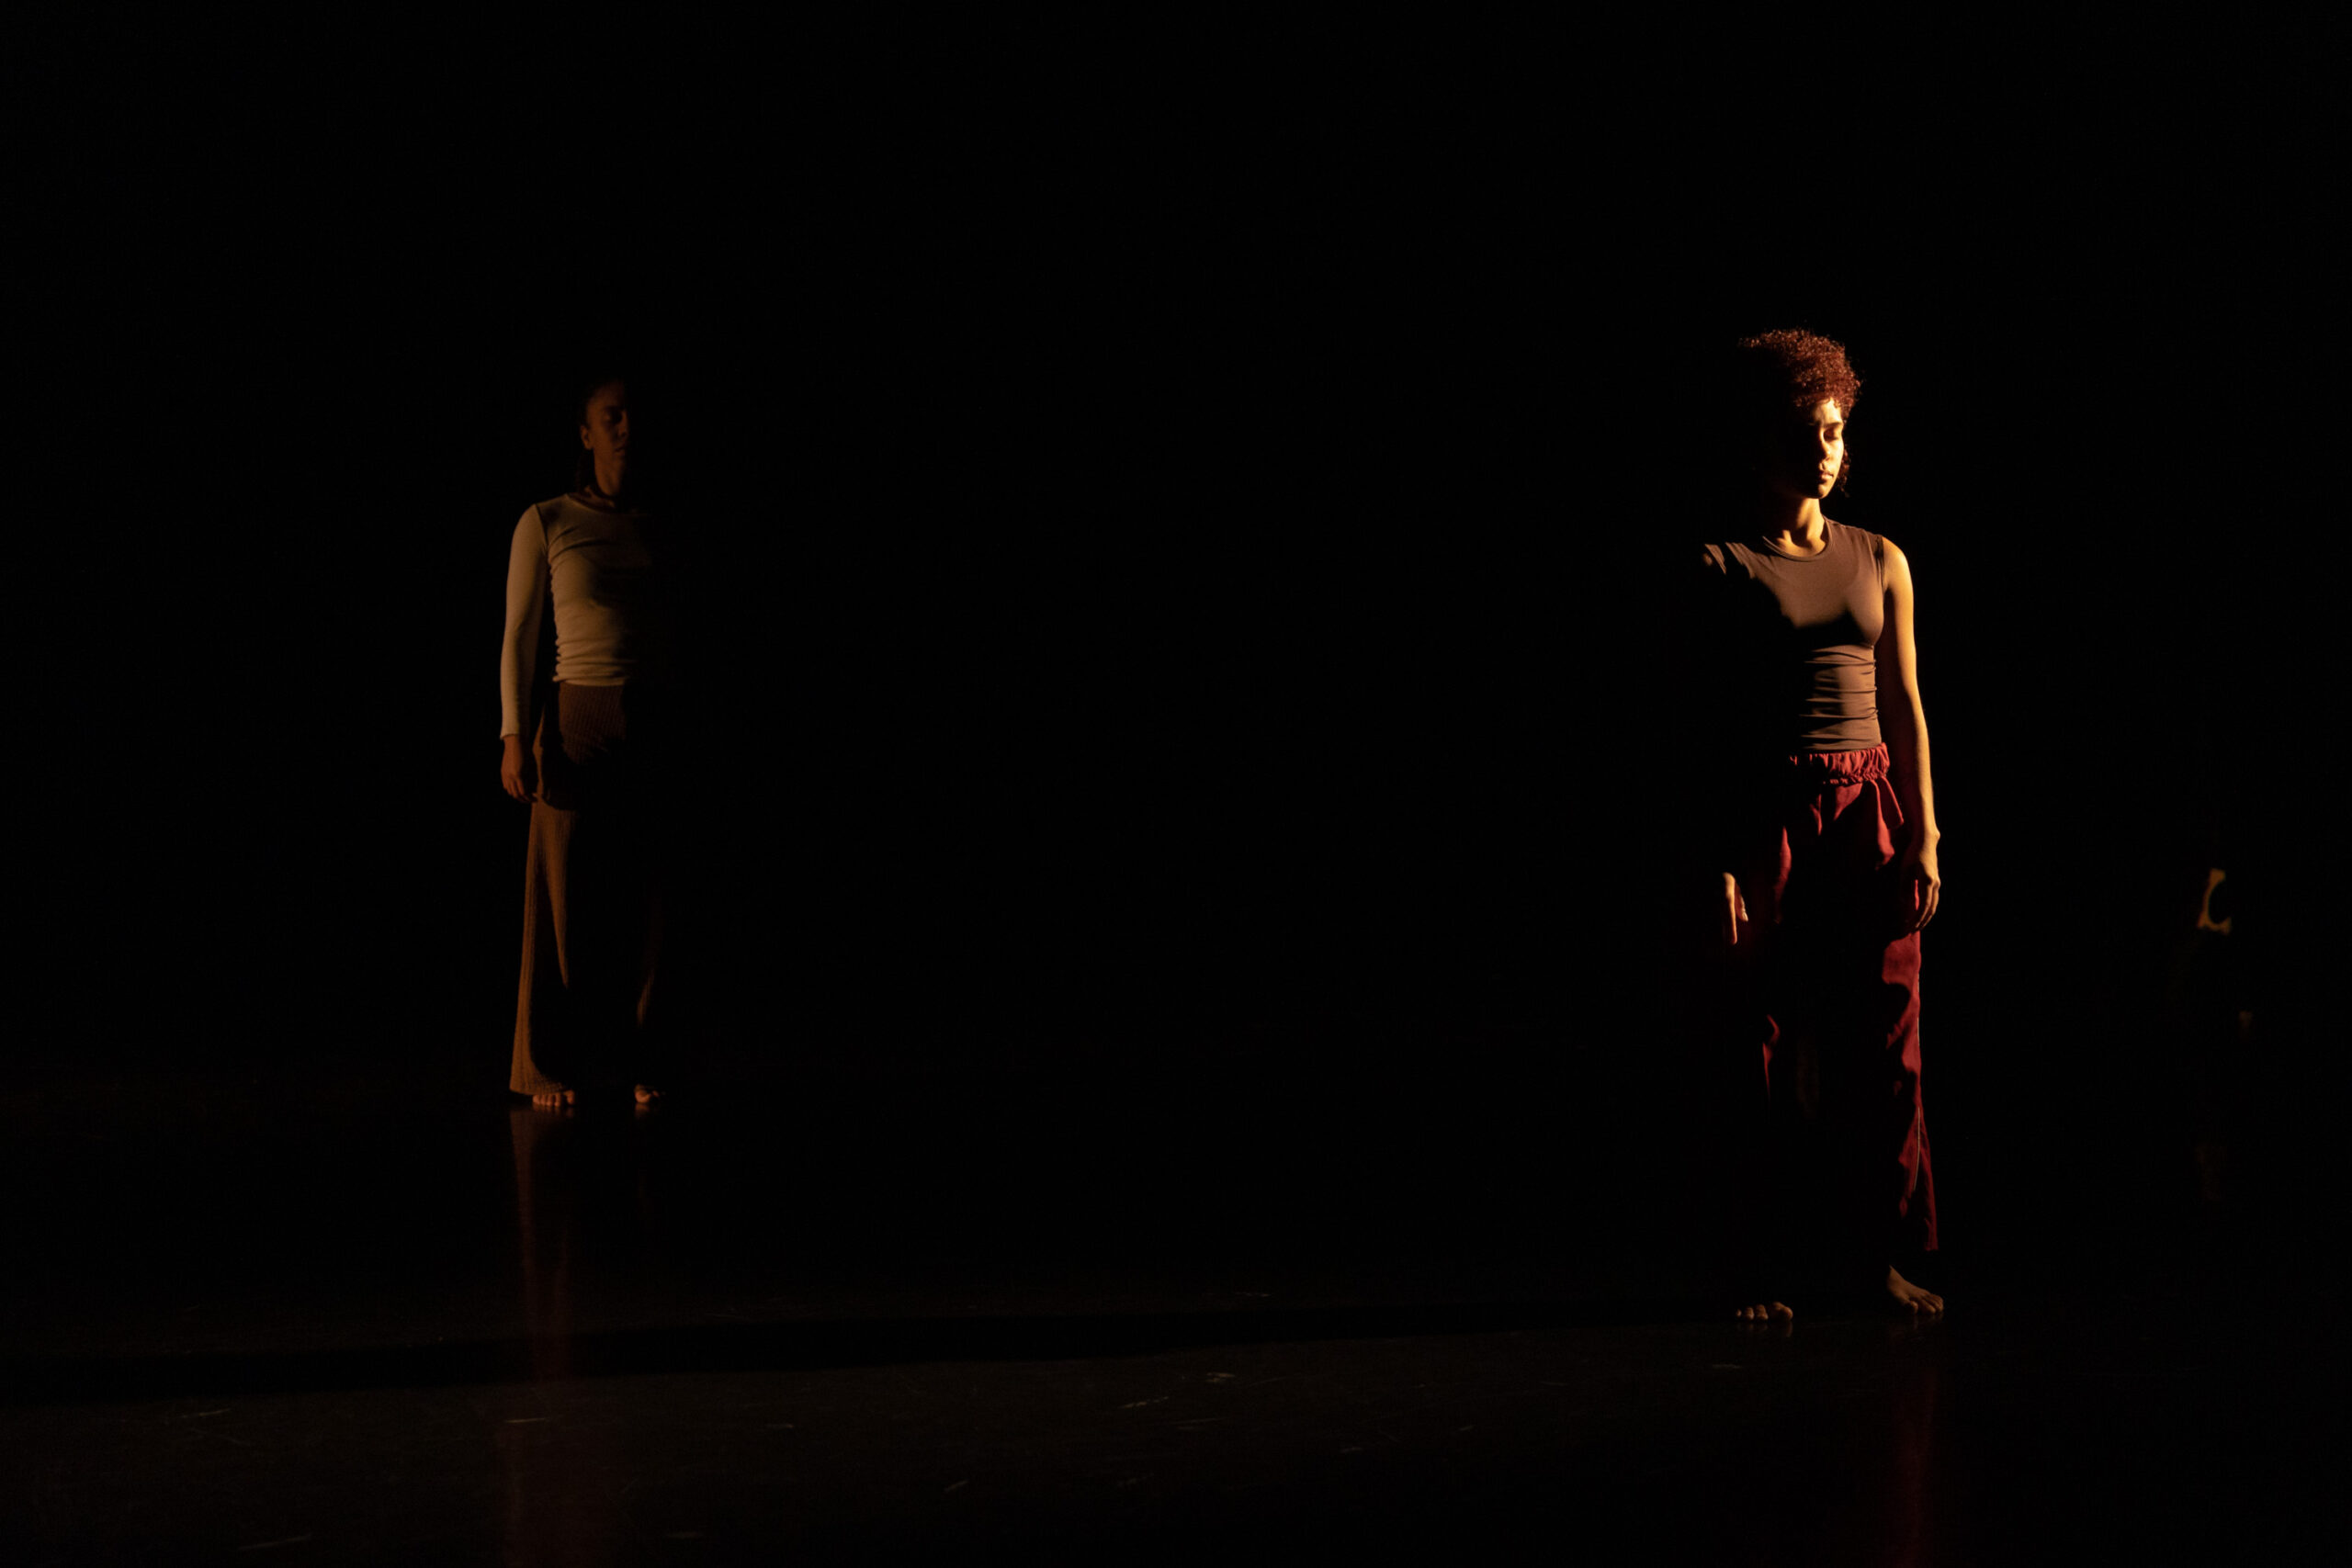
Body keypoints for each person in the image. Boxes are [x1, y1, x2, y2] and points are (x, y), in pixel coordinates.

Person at [1684, 330, 1944, 1322]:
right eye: (1809, 430)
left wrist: (1923, 834)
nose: (1829, 448)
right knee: (1757, 1037)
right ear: (1766, 440)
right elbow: (1700, 728)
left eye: (1837, 429)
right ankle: (1748, 1268)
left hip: (1868, 804)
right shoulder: (1719, 565)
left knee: (1885, 1037)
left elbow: (1907, 700)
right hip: (1771, 810)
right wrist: (1718, 857)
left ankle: (1876, 1256)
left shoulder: (1879, 557)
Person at [499, 373, 672, 1111]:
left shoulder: (651, 524)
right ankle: (544, 1065)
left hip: (648, 715)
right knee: (558, 898)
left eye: (633, 414)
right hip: (573, 716)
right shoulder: (545, 520)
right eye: (612, 416)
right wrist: (513, 733)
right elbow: (519, 637)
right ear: (586, 432)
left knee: (650, 903)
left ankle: (648, 1057)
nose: (626, 426)